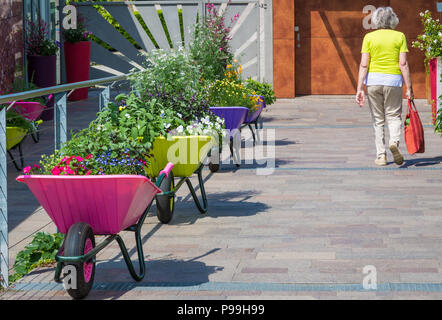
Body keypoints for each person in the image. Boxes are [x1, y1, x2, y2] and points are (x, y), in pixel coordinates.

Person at [355, 6, 413, 166]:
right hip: (393, 81)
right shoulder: (399, 36)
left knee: (378, 119)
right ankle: (394, 142)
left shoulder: (369, 37)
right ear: (393, 20)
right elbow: (403, 63)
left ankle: (381, 156)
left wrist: (359, 88)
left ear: (375, 21)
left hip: (373, 81)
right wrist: (409, 87)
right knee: (394, 116)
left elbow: (364, 65)